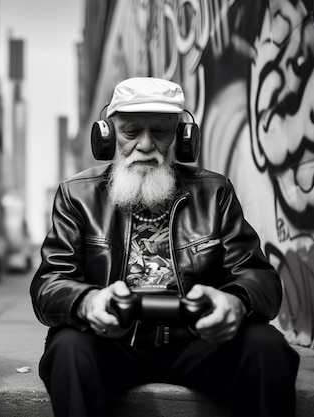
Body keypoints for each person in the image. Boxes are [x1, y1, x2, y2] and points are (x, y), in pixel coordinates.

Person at [30, 77, 300, 417]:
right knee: (67, 347)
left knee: (267, 345)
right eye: (131, 133)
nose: (146, 145)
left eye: (160, 132)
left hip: (198, 343)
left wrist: (236, 302)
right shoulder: (77, 195)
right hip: (112, 344)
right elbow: (49, 282)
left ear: (182, 138)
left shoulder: (214, 192)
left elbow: (258, 277)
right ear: (108, 136)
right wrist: (87, 302)